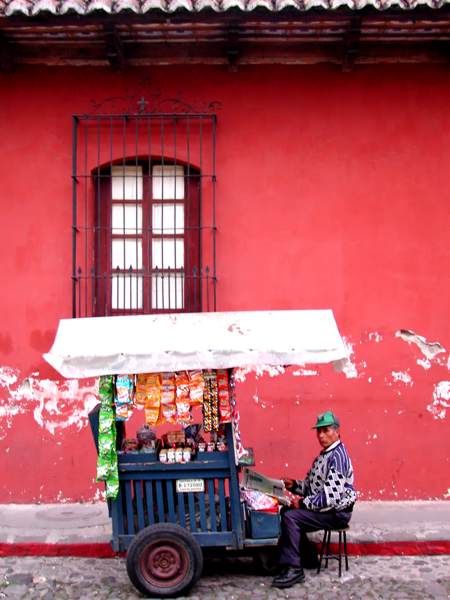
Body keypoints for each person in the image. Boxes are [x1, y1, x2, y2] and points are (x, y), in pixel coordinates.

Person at [272, 410, 356, 589]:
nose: (321, 435)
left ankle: (294, 569)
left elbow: (329, 498)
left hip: (336, 512)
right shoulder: (323, 456)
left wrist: (301, 503)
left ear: (337, 431)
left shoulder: (338, 457)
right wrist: (293, 484)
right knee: (287, 511)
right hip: (327, 509)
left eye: (326, 430)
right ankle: (308, 557)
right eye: (319, 431)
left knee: (291, 517)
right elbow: (311, 487)